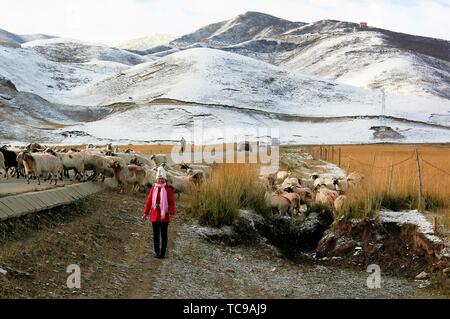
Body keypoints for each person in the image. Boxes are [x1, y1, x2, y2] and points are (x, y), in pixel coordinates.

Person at [142, 167, 176, 259]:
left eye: (162, 179)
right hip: (154, 215)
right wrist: (145, 213)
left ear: (165, 179)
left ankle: (163, 252)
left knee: (164, 235)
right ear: (156, 179)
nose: (160, 180)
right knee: (155, 234)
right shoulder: (153, 188)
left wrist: (172, 213)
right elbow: (149, 201)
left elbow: (171, 202)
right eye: (159, 179)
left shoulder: (168, 189)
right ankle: (157, 251)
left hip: (164, 215)